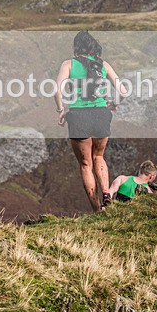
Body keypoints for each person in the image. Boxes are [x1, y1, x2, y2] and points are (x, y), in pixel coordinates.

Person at [54, 31, 127, 212]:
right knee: (99, 157)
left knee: (86, 164)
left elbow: (57, 91)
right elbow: (123, 91)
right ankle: (106, 194)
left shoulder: (68, 64)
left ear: (76, 47)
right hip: (101, 114)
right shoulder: (103, 65)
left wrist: (61, 110)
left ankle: (97, 210)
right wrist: (114, 103)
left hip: (79, 115)